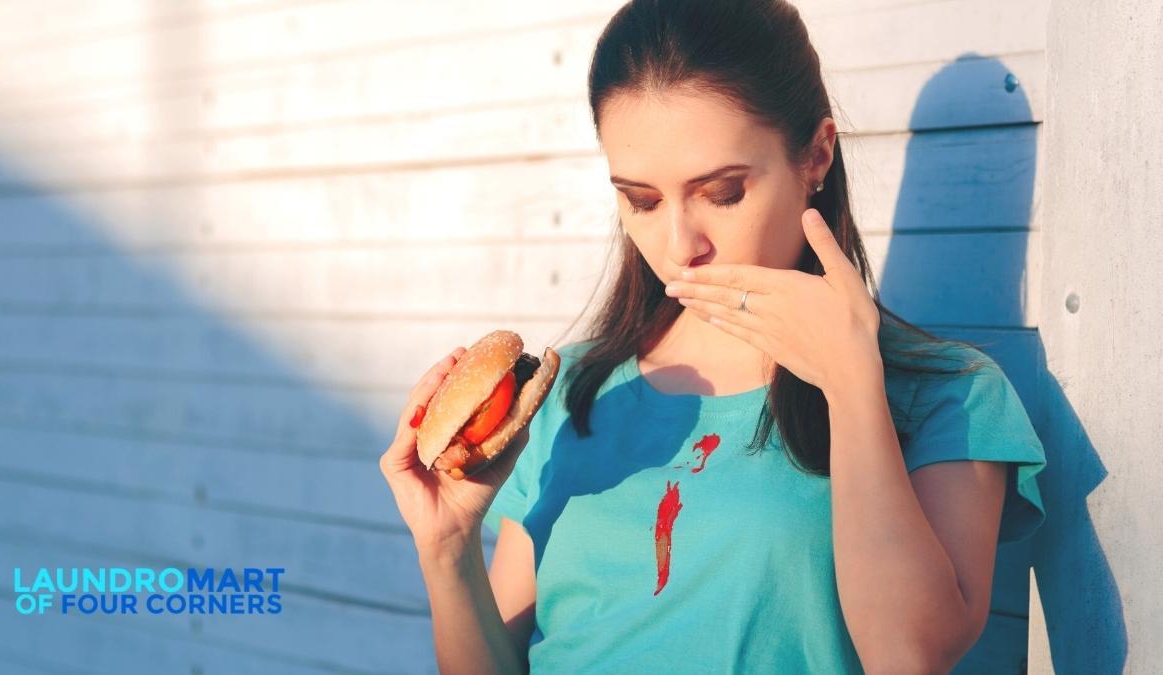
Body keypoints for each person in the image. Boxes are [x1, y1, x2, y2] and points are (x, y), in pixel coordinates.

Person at [379, 1, 1047, 673]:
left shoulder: (943, 394)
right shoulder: (573, 393)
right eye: (641, 199)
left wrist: (851, 385)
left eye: (723, 192)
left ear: (816, 154)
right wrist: (449, 548)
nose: (678, 246)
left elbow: (910, 655)